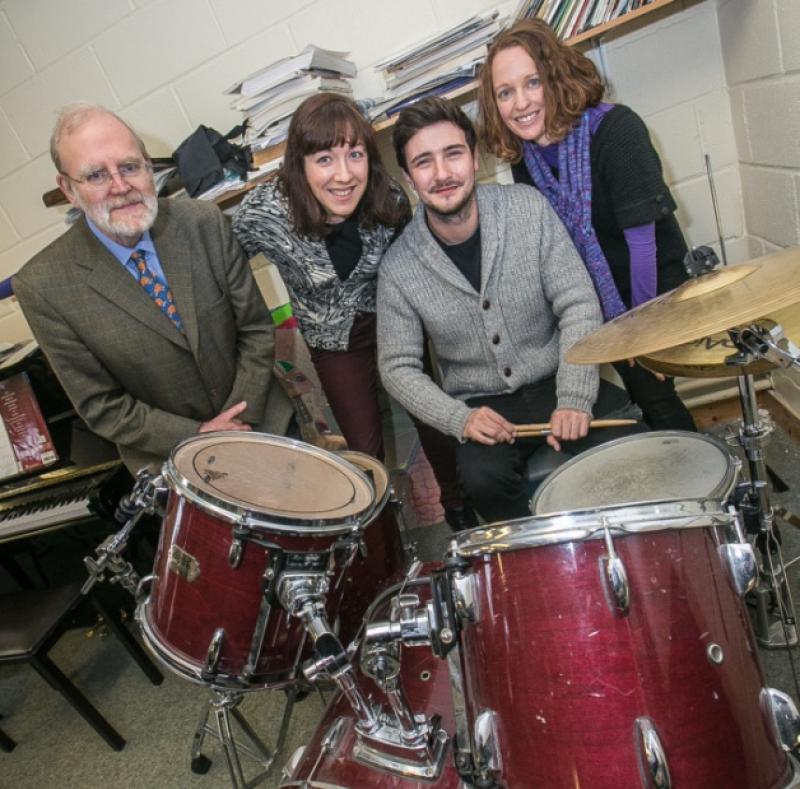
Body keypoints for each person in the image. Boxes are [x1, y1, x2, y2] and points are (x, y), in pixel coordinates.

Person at [377, 97, 644, 524]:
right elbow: (396, 367)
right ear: (409, 179)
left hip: (557, 375)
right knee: (484, 484)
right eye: (424, 162)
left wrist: (574, 396)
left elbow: (577, 301)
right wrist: (459, 419)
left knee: (636, 444)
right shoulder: (398, 268)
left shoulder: (527, 208)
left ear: (474, 156)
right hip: (482, 407)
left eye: (453, 154)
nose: (443, 173)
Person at [232, 93, 473, 530]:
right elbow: (227, 270)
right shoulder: (265, 212)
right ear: (299, 165)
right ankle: (383, 540)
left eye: (355, 155)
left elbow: (416, 265)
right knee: (365, 453)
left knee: (436, 421)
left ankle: (460, 512)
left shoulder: (390, 200)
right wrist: (250, 327)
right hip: (333, 344)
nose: (343, 176)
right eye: (324, 159)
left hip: (395, 324)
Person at [13, 104, 290, 474]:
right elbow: (101, 405)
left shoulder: (203, 223)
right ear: (68, 189)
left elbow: (256, 329)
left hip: (263, 423)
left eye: (130, 167)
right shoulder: (43, 287)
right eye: (96, 175)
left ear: (148, 166)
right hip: (174, 462)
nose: (121, 186)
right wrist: (200, 435)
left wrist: (237, 424)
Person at [478, 19, 696, 432]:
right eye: (505, 93)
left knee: (655, 393)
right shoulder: (525, 158)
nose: (520, 103)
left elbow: (643, 244)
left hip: (649, 287)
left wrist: (640, 331)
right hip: (597, 293)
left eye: (533, 83)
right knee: (641, 401)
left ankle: (698, 479)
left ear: (556, 78)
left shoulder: (617, 130)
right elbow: (553, 244)